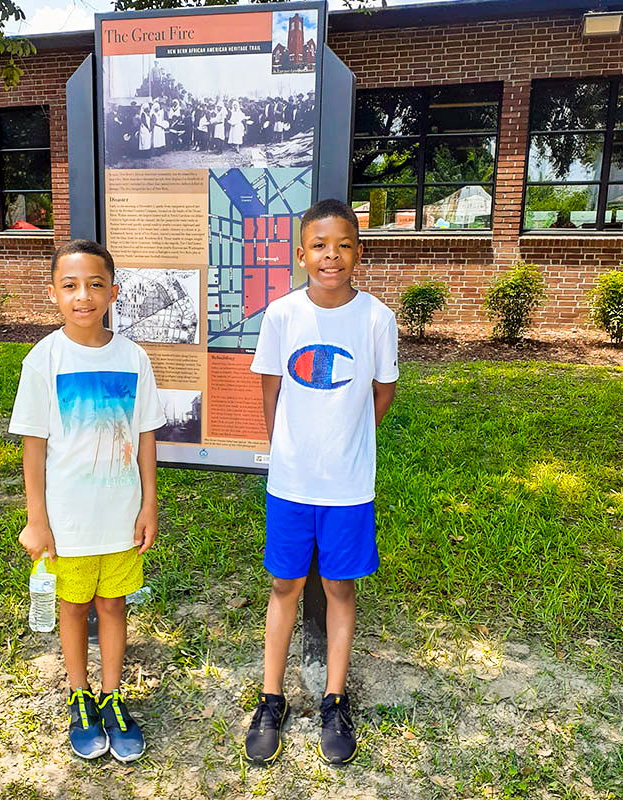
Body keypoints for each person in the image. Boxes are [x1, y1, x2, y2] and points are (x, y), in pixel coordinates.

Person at [245, 199, 399, 766]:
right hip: (290, 483)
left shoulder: (377, 319)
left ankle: (335, 699)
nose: (330, 256)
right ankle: (270, 698)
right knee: (284, 587)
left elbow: (381, 393)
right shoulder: (283, 315)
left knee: (339, 587)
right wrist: (285, 446)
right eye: (319, 246)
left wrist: (349, 439)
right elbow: (269, 390)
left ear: (358, 251)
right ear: (301, 252)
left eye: (343, 245)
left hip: (348, 486)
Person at [9, 239, 166, 763]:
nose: (84, 296)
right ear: (53, 294)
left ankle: (113, 697)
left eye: (96, 284)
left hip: (120, 516)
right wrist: (37, 520)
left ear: (114, 292)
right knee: (74, 608)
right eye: (71, 286)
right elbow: (34, 448)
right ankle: (80, 696)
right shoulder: (43, 360)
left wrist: (149, 505)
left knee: (113, 604)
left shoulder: (134, 358)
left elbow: (145, 436)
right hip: (67, 520)